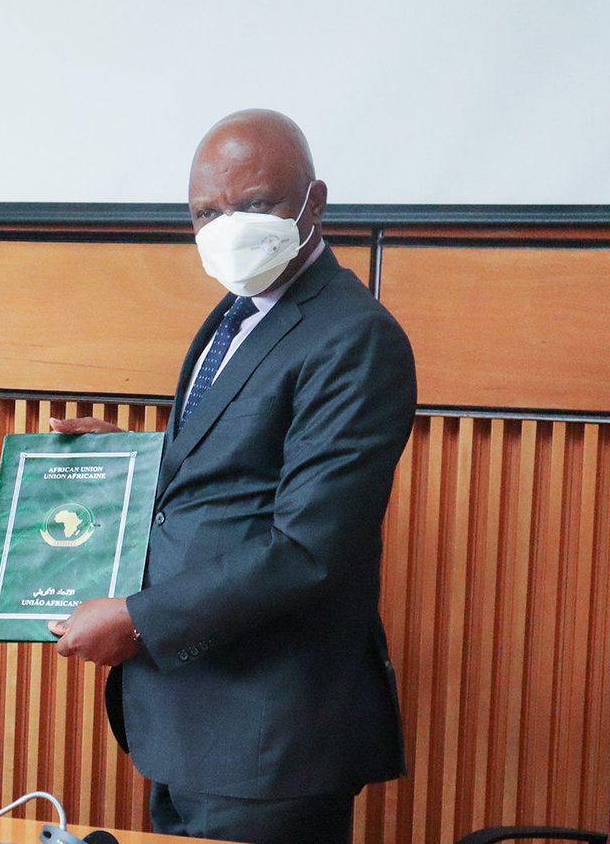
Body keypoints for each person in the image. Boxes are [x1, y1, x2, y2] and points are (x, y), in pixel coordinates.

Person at [48, 110, 415, 843]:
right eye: (206, 213)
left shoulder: (355, 335)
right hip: (189, 718)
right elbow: (242, 466)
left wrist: (139, 618)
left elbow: (307, 546)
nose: (228, 228)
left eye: (255, 205)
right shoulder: (234, 315)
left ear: (314, 203)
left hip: (271, 735)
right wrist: (134, 460)